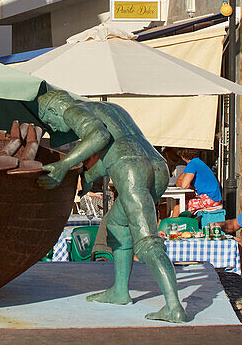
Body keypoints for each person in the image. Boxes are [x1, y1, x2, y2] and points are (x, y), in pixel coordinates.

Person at [35, 89, 186, 323]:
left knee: (147, 242)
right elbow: (118, 151)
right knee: (116, 225)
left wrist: (64, 164)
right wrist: (86, 178)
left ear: (54, 109)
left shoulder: (72, 110)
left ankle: (174, 307)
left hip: (132, 169)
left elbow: (99, 137)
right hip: (157, 166)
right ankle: (120, 292)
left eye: (50, 122)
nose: (54, 128)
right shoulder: (112, 109)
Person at [172, 148, 223, 215]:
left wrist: (191, 187)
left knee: (177, 208)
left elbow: (184, 185)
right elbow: (179, 182)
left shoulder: (192, 164)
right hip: (213, 198)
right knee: (180, 203)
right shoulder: (197, 162)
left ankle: (172, 225)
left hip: (210, 199)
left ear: (182, 156)